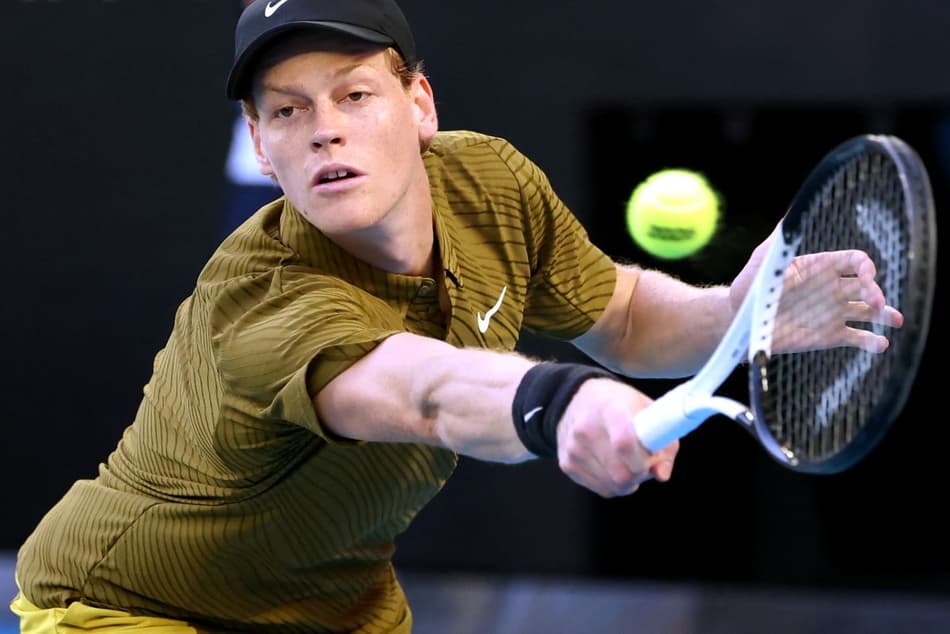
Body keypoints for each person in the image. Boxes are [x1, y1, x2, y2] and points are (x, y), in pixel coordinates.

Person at [11, 0, 903, 632]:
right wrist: (560, 405)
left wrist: (736, 316)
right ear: (262, 147)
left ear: (420, 104)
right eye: (288, 112)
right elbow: (423, 392)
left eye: (354, 94)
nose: (324, 130)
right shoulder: (260, 293)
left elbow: (623, 316)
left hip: (333, 600)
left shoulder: (489, 182)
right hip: (129, 606)